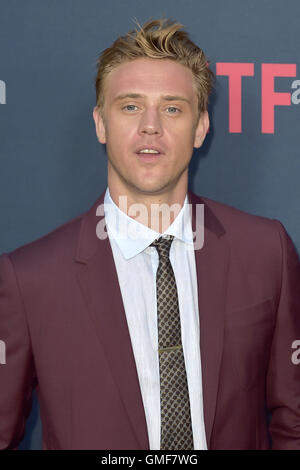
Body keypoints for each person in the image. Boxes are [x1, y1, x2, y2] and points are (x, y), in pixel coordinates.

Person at [0, 18, 300, 451]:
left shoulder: (265, 251)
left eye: (173, 108)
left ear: (200, 128)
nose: (151, 126)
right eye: (130, 106)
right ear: (100, 124)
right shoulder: (29, 278)